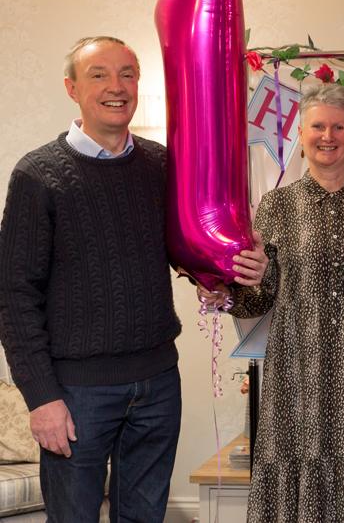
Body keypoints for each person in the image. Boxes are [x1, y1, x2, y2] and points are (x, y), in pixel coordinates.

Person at [0, 36, 268, 522]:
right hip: (77, 392)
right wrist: (41, 398)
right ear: (72, 88)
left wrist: (230, 273)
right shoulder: (37, 175)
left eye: (127, 74)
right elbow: (14, 297)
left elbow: (182, 253)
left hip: (158, 383)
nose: (116, 87)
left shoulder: (162, 165)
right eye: (98, 74)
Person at [198, 82, 344, 522]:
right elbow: (261, 294)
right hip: (296, 370)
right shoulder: (277, 205)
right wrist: (223, 294)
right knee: (296, 459)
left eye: (338, 127)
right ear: (302, 133)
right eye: (318, 126)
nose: (327, 136)